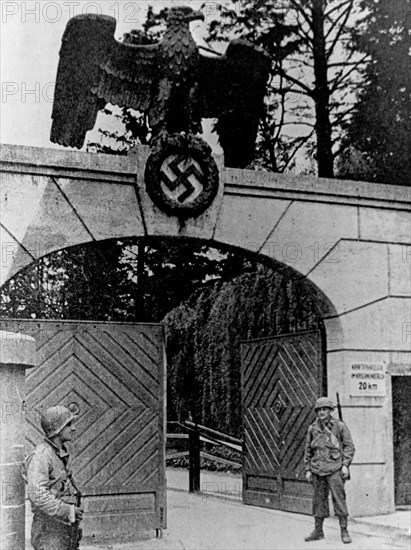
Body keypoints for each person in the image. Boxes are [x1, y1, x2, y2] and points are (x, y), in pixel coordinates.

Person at [23, 405, 83, 550]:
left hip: (65, 528)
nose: (73, 428)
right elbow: (38, 494)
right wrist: (67, 511)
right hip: (49, 532)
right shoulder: (42, 456)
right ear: (56, 428)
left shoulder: (59, 453)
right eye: (68, 424)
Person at [304, 396, 355, 544]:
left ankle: (344, 531)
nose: (321, 412)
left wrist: (345, 464)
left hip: (335, 469)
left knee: (339, 500)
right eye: (319, 410)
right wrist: (308, 469)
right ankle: (318, 531)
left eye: (324, 409)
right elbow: (308, 450)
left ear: (330, 410)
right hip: (317, 469)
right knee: (318, 501)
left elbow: (349, 447)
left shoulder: (339, 426)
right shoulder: (312, 428)